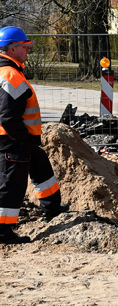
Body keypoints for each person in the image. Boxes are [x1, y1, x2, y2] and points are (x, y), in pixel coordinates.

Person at [0, 27, 68, 244]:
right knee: (12, 185)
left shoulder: (8, 71)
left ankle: (52, 208)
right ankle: (3, 232)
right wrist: (23, 139)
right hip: (12, 140)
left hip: (17, 139)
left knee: (41, 166)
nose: (28, 51)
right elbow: (8, 116)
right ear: (12, 49)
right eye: (24, 47)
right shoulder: (10, 75)